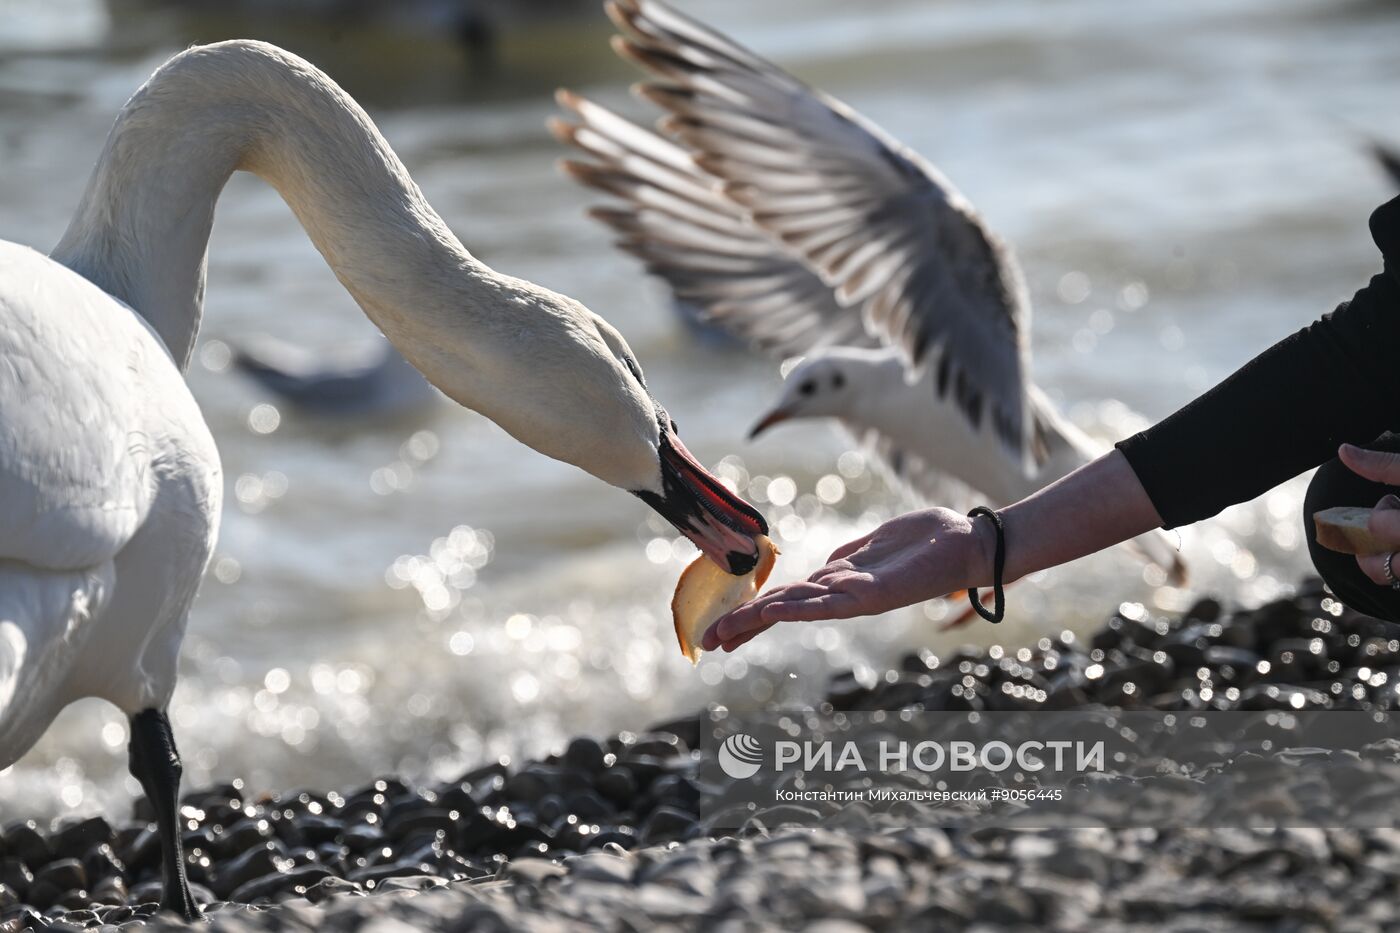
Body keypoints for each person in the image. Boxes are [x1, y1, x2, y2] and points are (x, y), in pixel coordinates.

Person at [703, 195, 1400, 653]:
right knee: (1348, 505)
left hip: (1068, 478)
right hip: (1044, 502)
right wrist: (987, 544)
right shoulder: (878, 377)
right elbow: (1358, 357)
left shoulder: (918, 366)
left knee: (1354, 510)